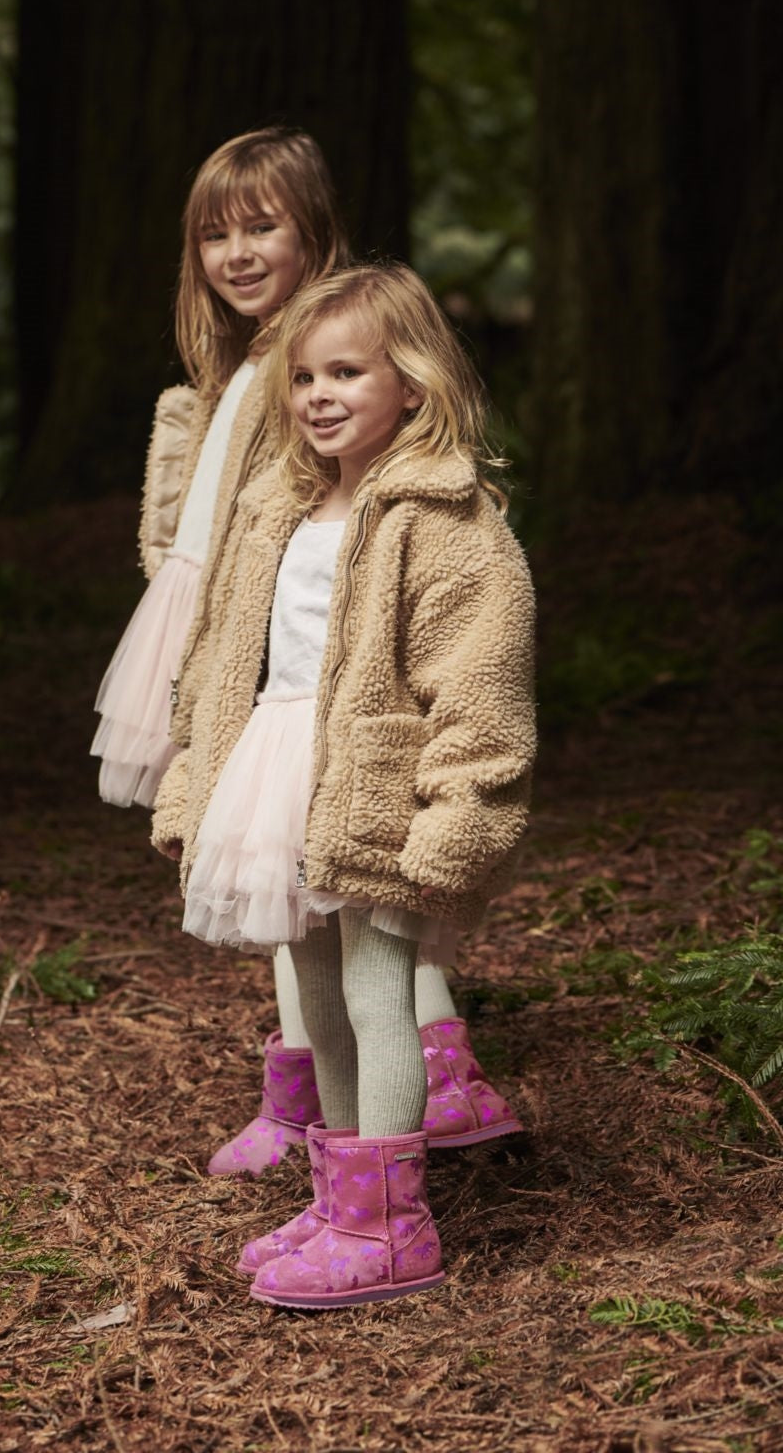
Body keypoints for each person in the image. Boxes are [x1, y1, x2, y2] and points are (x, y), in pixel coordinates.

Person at [95, 128, 519, 1178]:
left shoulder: (327, 359)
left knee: (353, 899)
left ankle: (427, 1088)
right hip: (241, 632)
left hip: (311, 666)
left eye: (262, 227)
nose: (236, 253)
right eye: (214, 235)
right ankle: (324, 1114)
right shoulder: (250, 367)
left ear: (313, 230)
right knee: (286, 889)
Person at [152, 263, 536, 1307]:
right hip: (279, 772)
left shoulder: (446, 519)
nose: (319, 395)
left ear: (411, 383)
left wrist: (457, 819)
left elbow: (481, 685)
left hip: (377, 787)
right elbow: (222, 662)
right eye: (304, 377)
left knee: (377, 994)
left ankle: (391, 1226)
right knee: (316, 995)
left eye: (347, 373)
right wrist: (193, 783)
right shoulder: (275, 507)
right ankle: (340, 1199)